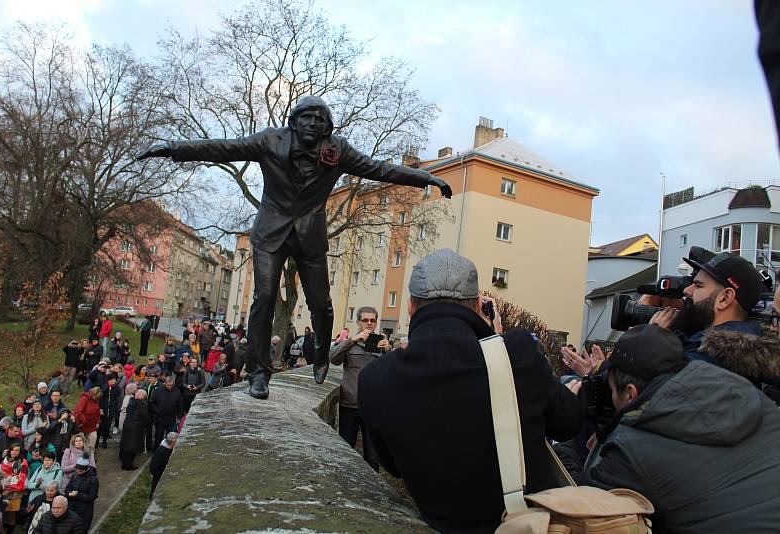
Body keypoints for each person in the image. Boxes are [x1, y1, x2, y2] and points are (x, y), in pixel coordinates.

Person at [137, 96, 452, 400]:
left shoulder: (337, 149)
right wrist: (173, 149)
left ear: (327, 127)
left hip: (308, 234)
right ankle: (259, 373)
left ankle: (320, 358)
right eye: (306, 118)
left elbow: (379, 169)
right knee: (264, 297)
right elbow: (223, 148)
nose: (312, 125)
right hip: (271, 231)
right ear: (294, 122)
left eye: (319, 120)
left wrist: (426, 177)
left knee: (322, 303)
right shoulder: (270, 141)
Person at [358, 249, 583, 533]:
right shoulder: (517, 353)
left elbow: (393, 465)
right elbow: (567, 424)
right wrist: (494, 340)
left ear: (411, 307)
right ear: (479, 306)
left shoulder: (374, 378)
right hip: (525, 524)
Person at [581, 325, 780, 533]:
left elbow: (579, 507)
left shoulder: (633, 451)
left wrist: (571, 433)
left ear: (631, 395)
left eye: (612, 390)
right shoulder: (743, 391)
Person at [650, 252, 773, 383]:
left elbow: (650, 395)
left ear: (725, 298)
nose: (687, 290)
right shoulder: (746, 353)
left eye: (698, 285)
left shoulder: (702, 362)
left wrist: (654, 343)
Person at [329, 306, 388, 471]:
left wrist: (388, 350)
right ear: (358, 322)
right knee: (345, 449)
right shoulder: (350, 344)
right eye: (365, 320)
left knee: (373, 455)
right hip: (350, 404)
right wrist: (352, 340)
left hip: (372, 408)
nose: (369, 324)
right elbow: (333, 359)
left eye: (372, 320)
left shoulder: (382, 344)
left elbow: (393, 372)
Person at [0, 442, 28, 534]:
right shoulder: (4, 460)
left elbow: (22, 478)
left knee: (11, 517)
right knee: (2, 516)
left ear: (20, 452)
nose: (14, 452)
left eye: (17, 450)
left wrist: (8, 480)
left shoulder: (23, 462)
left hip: (15, 493)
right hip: (3, 491)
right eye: (13, 450)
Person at [64, 453, 97, 533]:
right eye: (77, 469)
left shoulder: (93, 479)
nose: (78, 471)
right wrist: (69, 494)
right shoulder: (74, 475)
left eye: (80, 470)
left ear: (86, 469)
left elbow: (92, 496)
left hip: (84, 511)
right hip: (72, 508)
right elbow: (67, 488)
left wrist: (77, 495)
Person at [149, 377, 183, 452]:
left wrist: (180, 416)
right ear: (165, 383)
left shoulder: (177, 391)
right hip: (160, 417)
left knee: (170, 436)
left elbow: (180, 405)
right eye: (168, 385)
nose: (169, 387)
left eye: (171, 385)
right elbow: (152, 403)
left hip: (171, 417)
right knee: (158, 436)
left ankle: (167, 451)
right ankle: (155, 451)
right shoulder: (158, 390)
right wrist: (157, 411)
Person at [119, 389, 149, 471]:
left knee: (126, 447)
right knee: (132, 449)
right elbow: (145, 418)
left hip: (127, 426)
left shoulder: (131, 402)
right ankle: (128, 466)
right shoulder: (142, 405)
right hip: (136, 429)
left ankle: (124, 464)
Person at [72, 388, 101, 455]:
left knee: (93, 438)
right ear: (92, 394)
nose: (96, 398)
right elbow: (79, 411)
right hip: (83, 425)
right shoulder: (84, 398)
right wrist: (84, 421)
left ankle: (90, 455)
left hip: (92, 425)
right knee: (80, 442)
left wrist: (98, 421)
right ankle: (80, 456)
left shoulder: (95, 400)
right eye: (96, 396)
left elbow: (97, 411)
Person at [149, 432, 177, 498]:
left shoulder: (168, 448)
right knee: (156, 487)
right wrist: (161, 474)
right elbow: (153, 466)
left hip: (161, 471)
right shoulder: (161, 451)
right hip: (159, 473)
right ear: (172, 442)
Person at [97, 374, 120, 449]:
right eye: (112, 380)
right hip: (103, 410)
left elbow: (117, 395)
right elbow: (100, 396)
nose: (114, 382)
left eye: (114, 380)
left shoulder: (115, 387)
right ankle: (96, 441)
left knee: (107, 427)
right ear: (108, 380)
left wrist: (115, 387)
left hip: (111, 410)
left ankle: (104, 441)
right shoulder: (103, 386)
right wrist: (100, 408)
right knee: (100, 427)